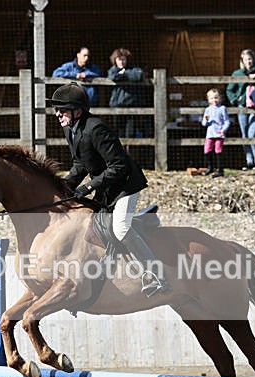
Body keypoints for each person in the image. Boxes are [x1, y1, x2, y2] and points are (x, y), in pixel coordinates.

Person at [46, 82, 170, 297]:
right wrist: (64, 188)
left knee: (120, 228)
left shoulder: (96, 128)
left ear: (78, 111)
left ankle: (155, 274)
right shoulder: (70, 128)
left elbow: (119, 166)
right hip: (107, 185)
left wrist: (88, 186)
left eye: (62, 109)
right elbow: (80, 164)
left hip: (125, 184)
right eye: (57, 109)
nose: (58, 114)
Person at [226, 49, 255, 170]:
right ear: (242, 61)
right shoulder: (237, 74)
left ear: (254, 60)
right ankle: (249, 161)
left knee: (252, 134)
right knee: (244, 134)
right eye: (245, 59)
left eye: (250, 59)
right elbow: (229, 90)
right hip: (242, 106)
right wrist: (235, 100)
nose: (248, 61)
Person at [107, 48, 144, 139]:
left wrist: (124, 74)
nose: (121, 62)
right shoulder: (113, 70)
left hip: (131, 105)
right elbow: (113, 77)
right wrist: (126, 76)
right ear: (115, 60)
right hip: (117, 105)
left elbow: (138, 75)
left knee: (130, 133)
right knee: (119, 132)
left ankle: (129, 148)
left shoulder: (133, 69)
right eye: (119, 60)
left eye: (123, 59)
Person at [201, 88, 230, 177]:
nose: (214, 100)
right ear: (208, 100)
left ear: (220, 98)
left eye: (216, 98)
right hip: (210, 133)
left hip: (219, 133)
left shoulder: (222, 108)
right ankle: (210, 167)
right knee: (207, 150)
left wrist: (223, 130)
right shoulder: (208, 110)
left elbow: (227, 121)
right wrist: (206, 119)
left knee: (218, 150)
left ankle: (220, 170)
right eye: (212, 98)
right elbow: (204, 123)